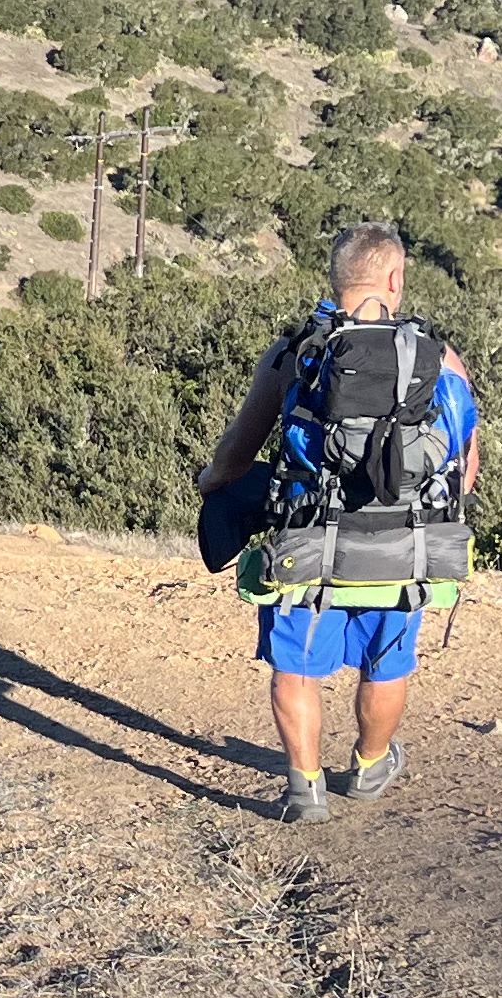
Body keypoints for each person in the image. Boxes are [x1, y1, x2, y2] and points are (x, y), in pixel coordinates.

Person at [199, 223, 481, 824]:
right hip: (406, 548)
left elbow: (239, 453)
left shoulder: (295, 354)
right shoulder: (437, 357)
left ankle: (305, 788)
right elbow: (464, 464)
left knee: (295, 667)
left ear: (336, 278)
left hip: (310, 546)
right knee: (388, 663)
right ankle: (371, 763)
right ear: (395, 279)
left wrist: (212, 483)